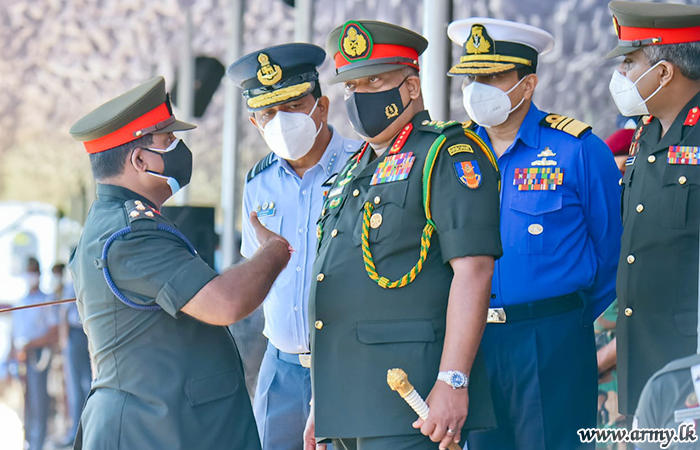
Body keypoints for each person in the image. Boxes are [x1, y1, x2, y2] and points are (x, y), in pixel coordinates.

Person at [304, 20, 502, 450]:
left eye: (374, 79)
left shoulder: (445, 153)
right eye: (351, 85)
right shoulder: (357, 166)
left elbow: (474, 270)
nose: (359, 96)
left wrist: (453, 380)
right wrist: (324, 403)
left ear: (411, 87)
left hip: (411, 400)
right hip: (348, 400)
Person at [68, 76, 292, 450]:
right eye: (167, 141)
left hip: (162, 425)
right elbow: (225, 303)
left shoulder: (117, 222)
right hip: (151, 430)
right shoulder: (130, 233)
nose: (178, 148)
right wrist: (274, 250)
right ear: (139, 159)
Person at [446, 18, 622, 449]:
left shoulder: (577, 149)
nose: (478, 88)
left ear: (527, 85)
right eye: (472, 77)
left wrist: (565, 315)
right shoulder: (452, 156)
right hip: (474, 341)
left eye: (492, 77)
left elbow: (613, 253)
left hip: (550, 338)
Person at [227, 43, 360, 450]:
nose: (280, 121)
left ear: (321, 107)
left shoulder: (364, 166)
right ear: (254, 121)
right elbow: (257, 270)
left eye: (293, 105)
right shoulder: (257, 184)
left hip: (349, 364)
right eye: (268, 113)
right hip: (281, 368)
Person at [605, 0, 700, 421]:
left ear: (663, 73)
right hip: (643, 355)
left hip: (688, 364)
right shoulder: (647, 133)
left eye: (629, 62)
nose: (621, 75)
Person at [11, 257, 59, 450]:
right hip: (20, 359)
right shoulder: (20, 302)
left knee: (39, 404)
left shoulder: (46, 300)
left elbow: (54, 332)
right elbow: (14, 335)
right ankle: (26, 442)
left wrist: (30, 344)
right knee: (23, 405)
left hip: (39, 356)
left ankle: (38, 444)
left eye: (34, 271)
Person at [52, 263, 90, 447]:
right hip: (75, 337)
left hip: (86, 336)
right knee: (75, 389)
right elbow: (63, 316)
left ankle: (85, 432)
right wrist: (64, 343)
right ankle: (75, 433)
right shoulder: (72, 284)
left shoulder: (84, 280)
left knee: (86, 386)